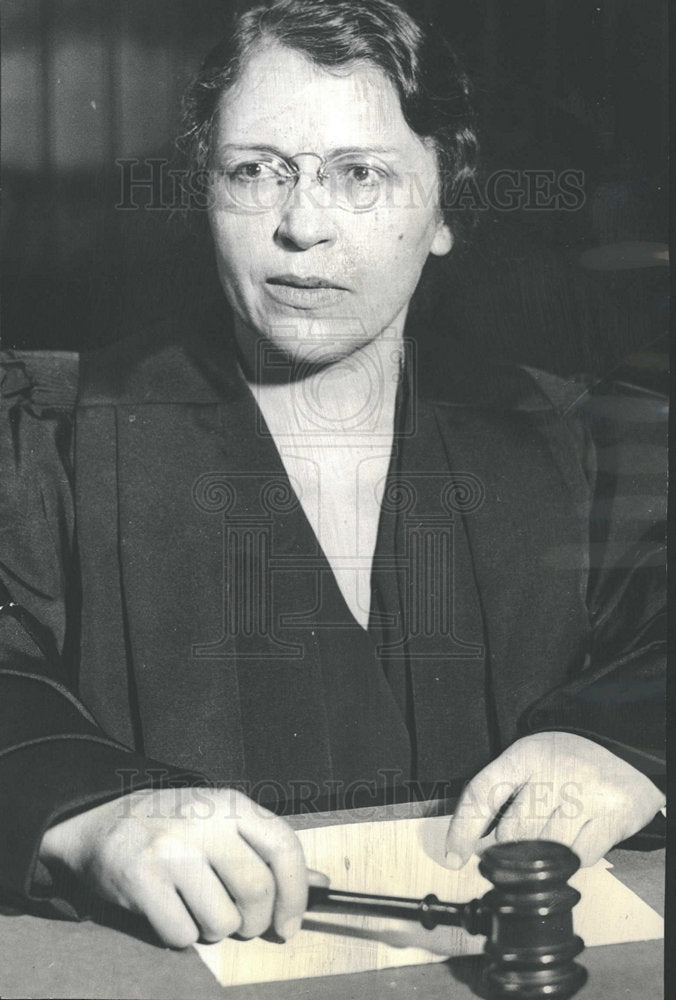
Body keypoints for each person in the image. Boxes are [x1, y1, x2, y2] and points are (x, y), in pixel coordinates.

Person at [0, 0, 665, 952]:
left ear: (445, 210)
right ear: (203, 194)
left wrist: (624, 745)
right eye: (254, 171)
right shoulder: (55, 440)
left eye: (360, 174)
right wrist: (81, 812)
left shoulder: (575, 441)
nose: (301, 225)